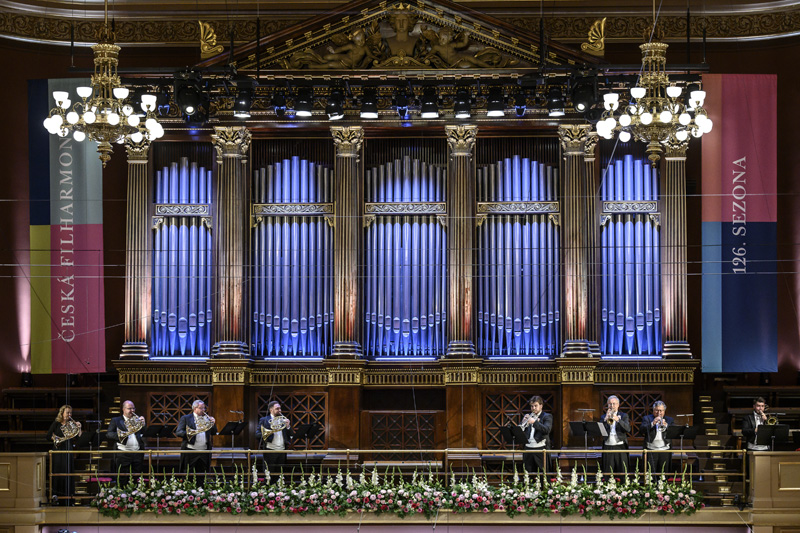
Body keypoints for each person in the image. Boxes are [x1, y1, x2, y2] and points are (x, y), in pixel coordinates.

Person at [46, 405, 82, 505]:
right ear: (62, 413)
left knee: (68, 473)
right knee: (58, 473)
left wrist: (79, 428)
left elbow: (78, 438)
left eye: (70, 413)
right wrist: (56, 439)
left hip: (68, 451)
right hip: (58, 451)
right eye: (67, 413)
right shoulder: (56, 424)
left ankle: (69, 499)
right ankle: (56, 498)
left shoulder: (73, 424)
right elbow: (48, 436)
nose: (69, 415)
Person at [106, 400, 145, 487]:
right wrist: (122, 435)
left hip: (137, 453)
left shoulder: (137, 420)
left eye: (133, 408)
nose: (132, 410)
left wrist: (143, 424)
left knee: (136, 478)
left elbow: (143, 434)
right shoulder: (116, 420)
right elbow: (109, 434)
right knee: (122, 478)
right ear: (123, 409)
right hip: (123, 454)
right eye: (129, 408)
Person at [175, 400, 217, 478]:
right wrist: (191, 433)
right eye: (201, 408)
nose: (203, 410)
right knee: (188, 473)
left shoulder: (206, 419)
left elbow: (214, 432)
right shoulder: (186, 418)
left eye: (204, 408)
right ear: (195, 408)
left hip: (204, 451)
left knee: (202, 473)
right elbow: (178, 432)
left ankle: (201, 489)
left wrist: (213, 424)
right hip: (191, 451)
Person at [256, 400, 294, 481]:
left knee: (280, 474)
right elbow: (257, 435)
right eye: (277, 408)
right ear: (271, 410)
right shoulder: (264, 420)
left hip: (282, 451)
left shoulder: (283, 420)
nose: (280, 410)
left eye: (280, 408)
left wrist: (288, 426)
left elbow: (291, 435)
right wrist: (270, 430)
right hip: (270, 451)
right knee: (269, 474)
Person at [519, 396, 553, 475]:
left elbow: (547, 430)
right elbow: (520, 431)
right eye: (532, 406)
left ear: (541, 406)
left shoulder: (547, 416)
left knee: (542, 474)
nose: (533, 408)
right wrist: (523, 423)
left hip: (540, 449)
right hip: (528, 448)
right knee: (528, 473)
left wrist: (534, 422)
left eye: (535, 406)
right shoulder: (529, 416)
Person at [641, 400, 674, 477]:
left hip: (665, 450)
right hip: (651, 449)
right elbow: (642, 430)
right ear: (653, 410)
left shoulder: (669, 420)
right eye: (656, 410)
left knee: (664, 473)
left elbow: (673, 431)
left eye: (661, 410)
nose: (659, 413)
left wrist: (666, 425)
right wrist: (652, 423)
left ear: (664, 411)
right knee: (650, 473)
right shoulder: (647, 418)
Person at [600, 395, 631, 476]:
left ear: (618, 405)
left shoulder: (624, 416)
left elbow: (628, 429)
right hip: (608, 446)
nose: (612, 406)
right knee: (608, 472)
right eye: (610, 404)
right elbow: (601, 431)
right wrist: (605, 419)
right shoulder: (603, 417)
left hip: (620, 446)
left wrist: (618, 420)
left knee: (623, 471)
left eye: (614, 404)